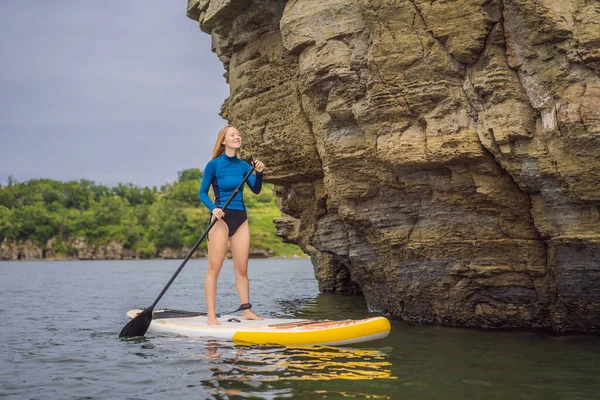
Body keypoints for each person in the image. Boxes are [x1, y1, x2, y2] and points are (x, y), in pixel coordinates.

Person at [198, 124, 265, 325]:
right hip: (220, 219)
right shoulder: (214, 165)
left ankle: (247, 311)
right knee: (214, 269)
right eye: (232, 134)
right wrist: (213, 208)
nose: (237, 136)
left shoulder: (245, 166)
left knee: (242, 269)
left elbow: (256, 189)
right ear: (224, 141)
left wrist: (259, 173)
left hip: (240, 219)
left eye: (238, 134)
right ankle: (211, 314)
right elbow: (202, 193)